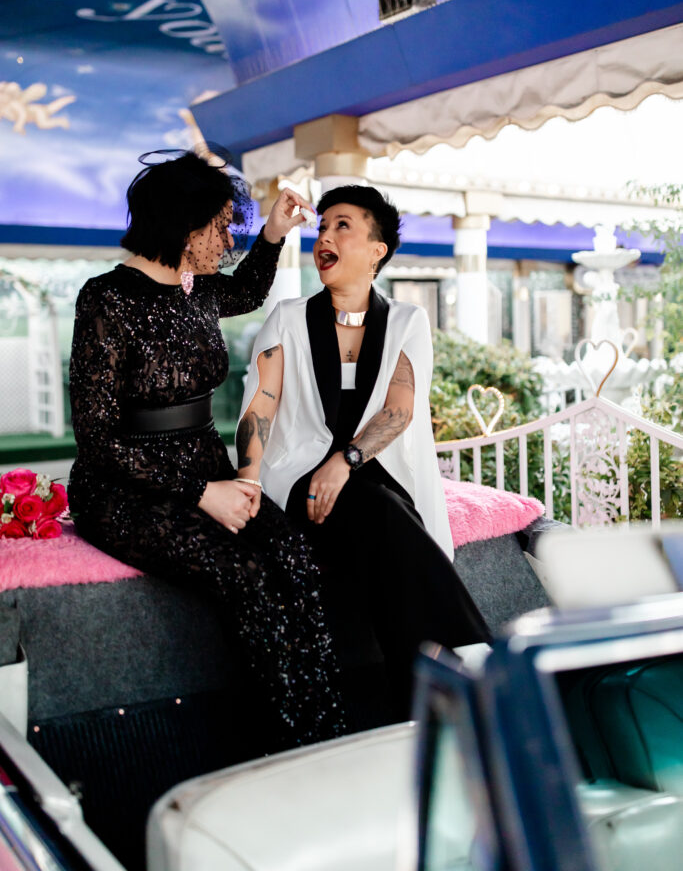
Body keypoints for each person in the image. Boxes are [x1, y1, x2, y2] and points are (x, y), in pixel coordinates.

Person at [67, 150, 344, 749]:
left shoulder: (199, 292)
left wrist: (273, 233)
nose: (228, 236)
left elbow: (247, 288)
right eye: (219, 226)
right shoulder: (107, 299)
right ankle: (283, 743)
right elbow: (94, 435)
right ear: (182, 226)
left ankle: (329, 732)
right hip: (123, 487)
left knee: (294, 555)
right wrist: (203, 493)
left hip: (203, 468)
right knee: (242, 572)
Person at [237, 184, 490, 722]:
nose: (324, 236)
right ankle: (474, 669)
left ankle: (420, 704)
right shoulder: (287, 319)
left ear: (378, 249)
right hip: (303, 488)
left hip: (372, 483)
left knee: (381, 513)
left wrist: (345, 461)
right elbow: (260, 404)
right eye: (322, 226)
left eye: (342, 226)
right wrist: (248, 483)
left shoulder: (406, 321)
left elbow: (398, 410)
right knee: (381, 513)